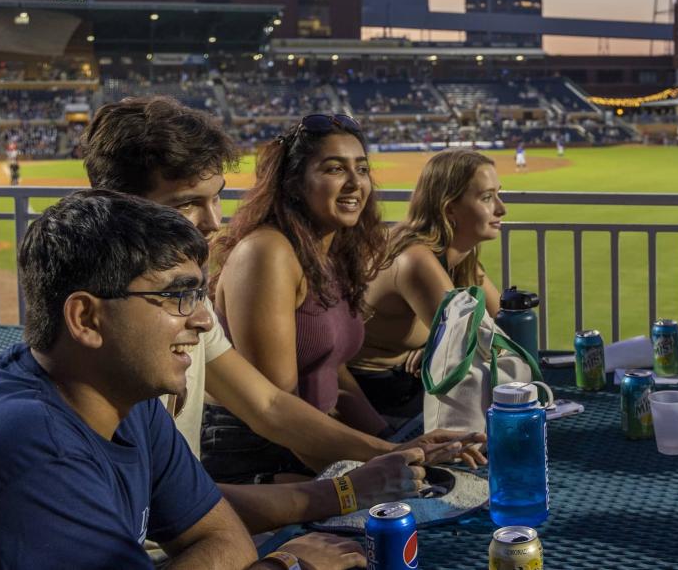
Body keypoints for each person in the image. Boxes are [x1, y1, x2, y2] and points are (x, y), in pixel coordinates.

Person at [0, 190, 359, 569]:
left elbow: (223, 537)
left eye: (198, 293)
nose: (201, 319)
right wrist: (286, 567)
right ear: (86, 319)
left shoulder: (122, 398)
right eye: (177, 296)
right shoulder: (37, 452)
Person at [82, 97, 481, 527]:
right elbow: (166, 507)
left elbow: (269, 405)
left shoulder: (188, 306)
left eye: (216, 198)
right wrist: (339, 494)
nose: (213, 223)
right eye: (185, 204)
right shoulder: (107, 339)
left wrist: (396, 451)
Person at [206, 114, 480, 484]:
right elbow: (276, 409)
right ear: (295, 183)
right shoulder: (266, 253)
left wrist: (391, 439)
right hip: (257, 453)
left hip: (315, 440)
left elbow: (331, 368)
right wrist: (392, 456)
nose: (355, 183)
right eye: (335, 169)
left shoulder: (329, 253)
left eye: (362, 169)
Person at [350, 149, 506, 417]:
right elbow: (479, 347)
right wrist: (443, 348)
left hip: (405, 384)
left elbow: (503, 325)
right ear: (450, 209)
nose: (501, 208)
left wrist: (431, 348)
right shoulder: (416, 259)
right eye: (487, 198)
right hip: (378, 398)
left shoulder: (458, 256)